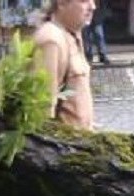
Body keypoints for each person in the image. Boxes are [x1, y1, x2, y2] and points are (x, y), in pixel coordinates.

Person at [33, 0, 97, 131]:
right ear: (61, 3)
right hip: (65, 148)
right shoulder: (51, 40)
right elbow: (43, 110)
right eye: (84, 1)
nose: (92, 6)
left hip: (80, 143)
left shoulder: (72, 34)